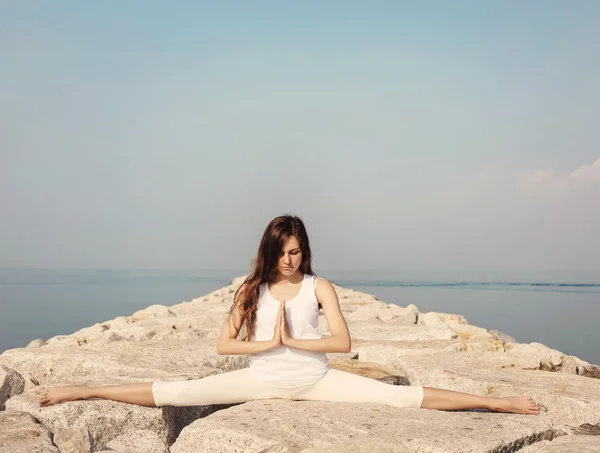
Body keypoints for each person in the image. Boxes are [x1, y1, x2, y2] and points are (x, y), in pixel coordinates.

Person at [38, 215, 540, 415]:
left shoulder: (319, 287)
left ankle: (497, 404)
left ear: (305, 252)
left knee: (400, 399)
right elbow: (223, 346)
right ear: (269, 251)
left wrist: (296, 342)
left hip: (316, 381)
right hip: (261, 379)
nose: (289, 260)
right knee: (179, 393)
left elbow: (342, 343)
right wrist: (265, 346)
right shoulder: (250, 289)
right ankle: (84, 389)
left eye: (296, 251)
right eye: (282, 251)